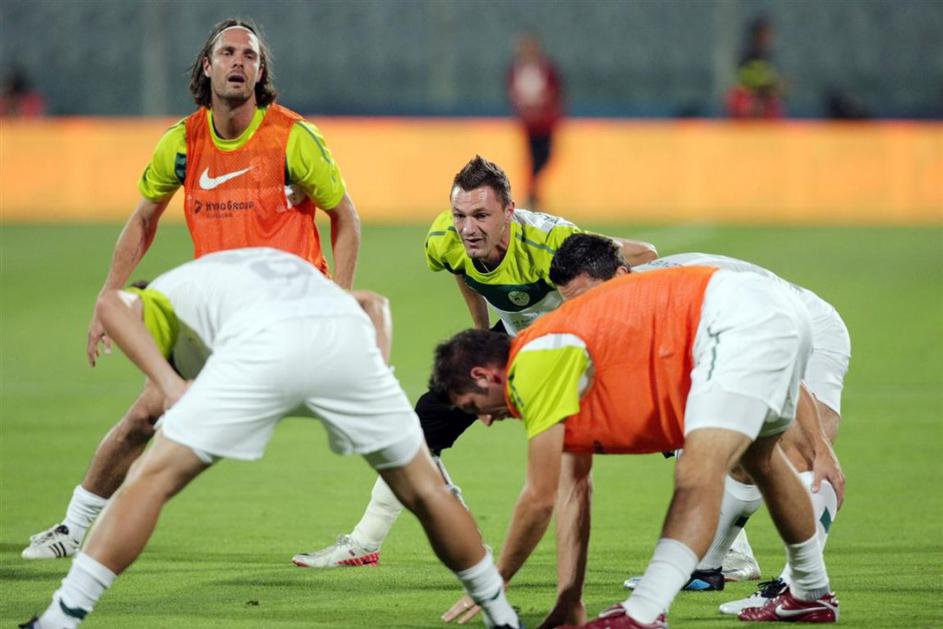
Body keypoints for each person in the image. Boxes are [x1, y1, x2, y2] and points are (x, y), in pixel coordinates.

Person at [18, 247, 521, 629]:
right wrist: (377, 372)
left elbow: (111, 304)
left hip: (262, 346)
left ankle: (60, 618)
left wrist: (170, 384)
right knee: (426, 492)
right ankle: (502, 616)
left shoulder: (167, 297)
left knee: (152, 480)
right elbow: (373, 302)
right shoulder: (239, 274)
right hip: (346, 344)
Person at [23, 18, 361, 560]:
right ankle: (72, 529)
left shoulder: (292, 138)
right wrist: (108, 300)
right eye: (227, 53)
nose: (238, 62)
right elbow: (143, 219)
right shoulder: (182, 144)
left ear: (260, 72)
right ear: (207, 66)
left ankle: (380, 532)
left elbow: (345, 216)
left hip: (291, 311)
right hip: (218, 314)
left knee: (374, 415)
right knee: (146, 415)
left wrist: (340, 301)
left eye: (249, 56)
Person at [292, 156, 657, 570]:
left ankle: (712, 557)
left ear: (509, 212)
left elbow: (645, 254)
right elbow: (462, 269)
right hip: (518, 337)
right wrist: (482, 333)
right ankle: (365, 541)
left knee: (668, 423)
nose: (468, 228)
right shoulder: (445, 238)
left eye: (481, 215)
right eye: (460, 215)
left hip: (576, 343)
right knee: (423, 424)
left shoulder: (552, 242)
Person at [433, 263, 840, 627]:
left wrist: (494, 580)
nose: (485, 420)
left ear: (484, 375)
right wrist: (570, 597)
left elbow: (539, 498)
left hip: (736, 316)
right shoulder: (554, 359)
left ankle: (643, 612)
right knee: (761, 460)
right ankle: (810, 591)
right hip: (768, 312)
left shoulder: (533, 363)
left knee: (698, 469)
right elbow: (573, 491)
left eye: (472, 407)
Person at [549, 234, 849, 612]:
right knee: (741, 457)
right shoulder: (631, 303)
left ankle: (799, 589)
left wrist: (820, 444)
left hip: (805, 325)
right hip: (750, 328)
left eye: (588, 299)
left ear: (622, 275)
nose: (584, 313)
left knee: (799, 454)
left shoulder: (676, 300)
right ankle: (708, 567)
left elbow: (771, 350)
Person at [507, 34, 564, 209]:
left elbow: (556, 91)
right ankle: (533, 196)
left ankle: (533, 193)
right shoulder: (517, 69)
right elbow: (513, 92)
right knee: (533, 159)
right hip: (529, 124)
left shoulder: (545, 68)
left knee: (546, 157)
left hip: (545, 123)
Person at [726, 16, 785, 119]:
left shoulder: (769, 57)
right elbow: (747, 82)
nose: (767, 38)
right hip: (750, 100)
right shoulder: (748, 57)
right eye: (763, 34)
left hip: (764, 102)